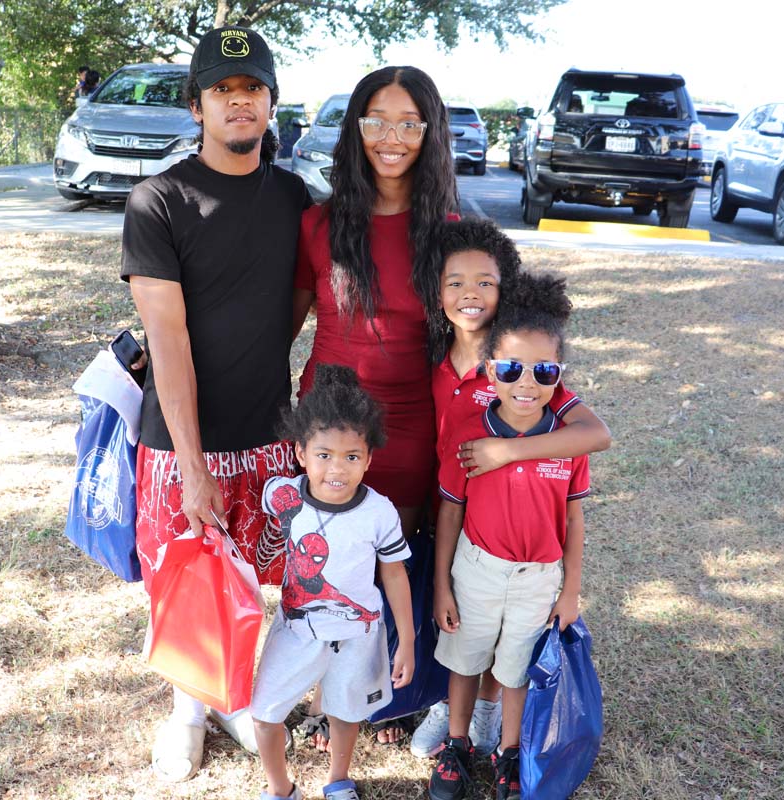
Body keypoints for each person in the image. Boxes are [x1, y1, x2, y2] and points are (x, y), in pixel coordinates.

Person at [120, 25, 310, 783]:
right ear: (197, 105)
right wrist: (193, 463)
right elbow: (166, 341)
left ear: (270, 103)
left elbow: (299, 301)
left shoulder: (295, 197)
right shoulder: (157, 201)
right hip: (180, 440)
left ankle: (234, 691)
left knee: (253, 577)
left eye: (253, 89)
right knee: (189, 574)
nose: (240, 102)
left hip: (268, 431)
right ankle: (187, 714)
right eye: (223, 91)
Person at [291, 66, 456, 747]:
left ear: (430, 132)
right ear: (356, 128)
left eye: (409, 123)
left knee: (392, 560)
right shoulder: (318, 223)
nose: (392, 137)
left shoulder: (449, 231)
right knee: (326, 560)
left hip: (410, 423)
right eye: (377, 120)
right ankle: (329, 693)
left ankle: (386, 696)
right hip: (326, 421)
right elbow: (282, 326)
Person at [409, 218, 612, 758]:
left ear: (506, 290)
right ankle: (441, 708)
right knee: (456, 620)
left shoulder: (527, 375)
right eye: (455, 282)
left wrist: (506, 450)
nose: (470, 294)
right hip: (448, 509)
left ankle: (489, 711)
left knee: (507, 638)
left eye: (486, 282)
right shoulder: (430, 357)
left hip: (506, 525)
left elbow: (595, 434)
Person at [428, 272, 591, 800]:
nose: (527, 383)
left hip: (538, 579)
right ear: (489, 371)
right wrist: (442, 586)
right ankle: (456, 745)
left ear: (559, 376)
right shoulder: (470, 432)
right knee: (464, 660)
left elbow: (573, 519)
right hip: (475, 569)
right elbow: (450, 512)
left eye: (543, 371)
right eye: (512, 368)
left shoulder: (566, 440)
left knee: (517, 667)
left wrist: (569, 591)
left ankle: (509, 750)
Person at [251, 364, 415, 800]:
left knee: (346, 713)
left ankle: (337, 780)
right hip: (295, 630)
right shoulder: (283, 496)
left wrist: (409, 641)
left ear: (369, 458)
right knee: (264, 714)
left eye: (351, 457)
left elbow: (394, 573)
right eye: (324, 455)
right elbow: (261, 533)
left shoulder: (379, 512)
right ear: (301, 452)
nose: (337, 469)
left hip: (357, 635)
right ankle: (280, 788)